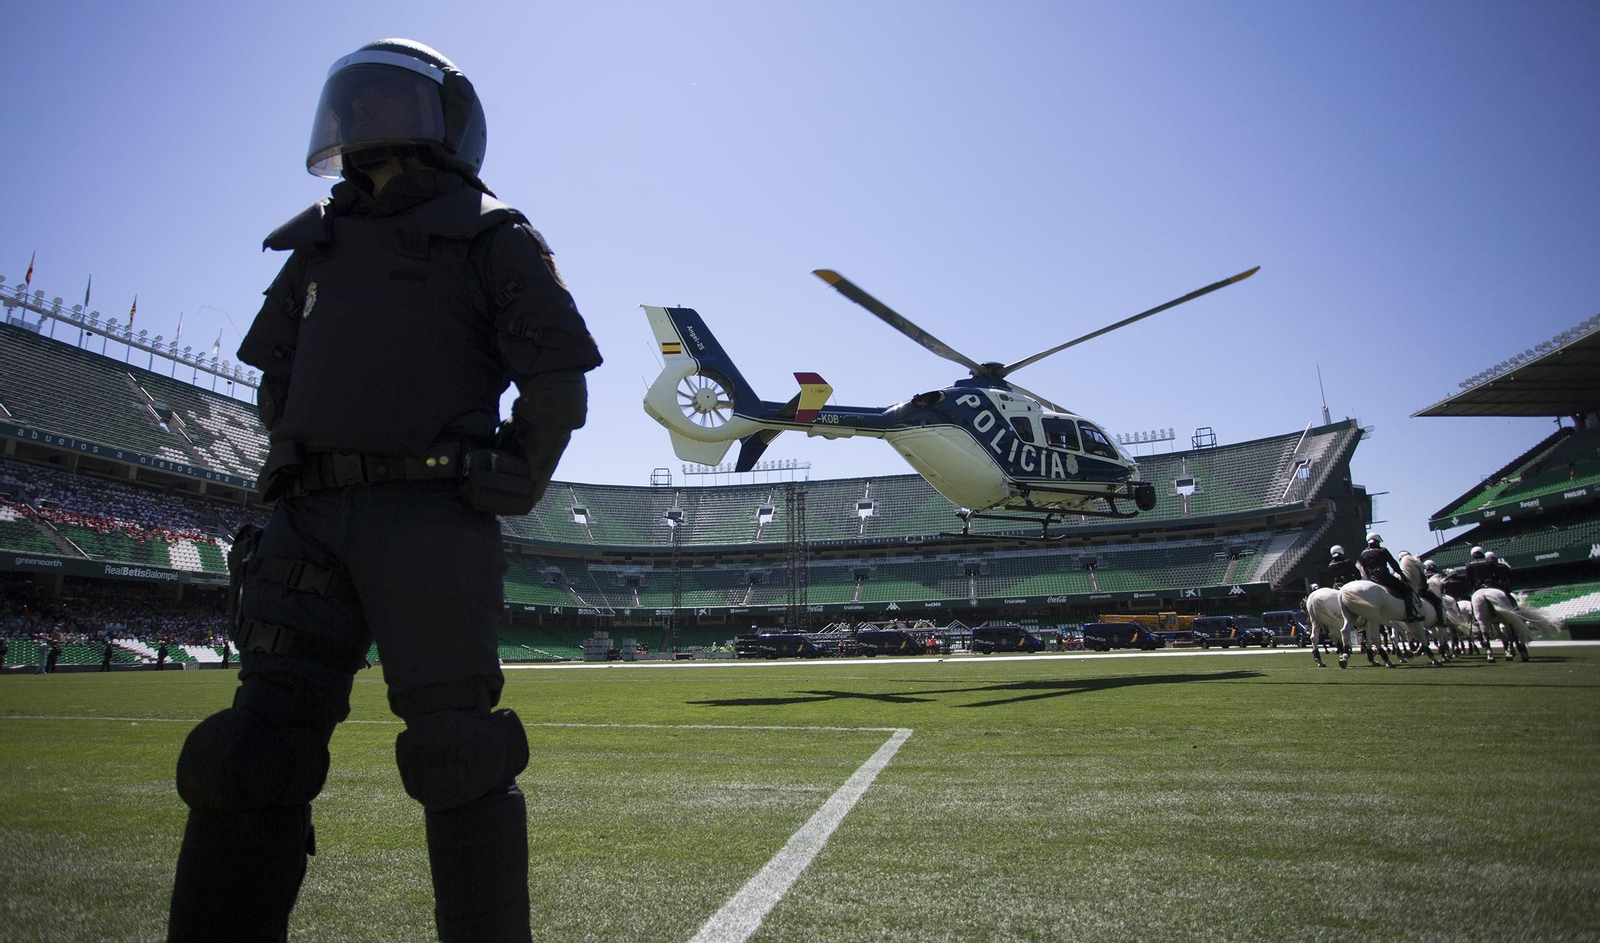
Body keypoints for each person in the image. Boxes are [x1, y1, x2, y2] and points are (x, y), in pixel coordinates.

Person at [166, 39, 601, 943]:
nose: (362, 116)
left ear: (448, 121)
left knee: (456, 754)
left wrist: (518, 470)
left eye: (385, 101)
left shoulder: (491, 233)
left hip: (429, 521)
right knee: (245, 755)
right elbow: (277, 375)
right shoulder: (315, 242)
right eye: (353, 102)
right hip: (306, 524)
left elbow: (557, 378)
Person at [1358, 534, 1418, 621]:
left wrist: (1369, 578)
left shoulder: (1363, 553)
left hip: (1372, 579)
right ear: (1376, 542)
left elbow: (1364, 568)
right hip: (1385, 578)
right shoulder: (1382, 550)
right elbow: (1393, 563)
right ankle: (1410, 615)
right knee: (1407, 590)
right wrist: (1402, 575)